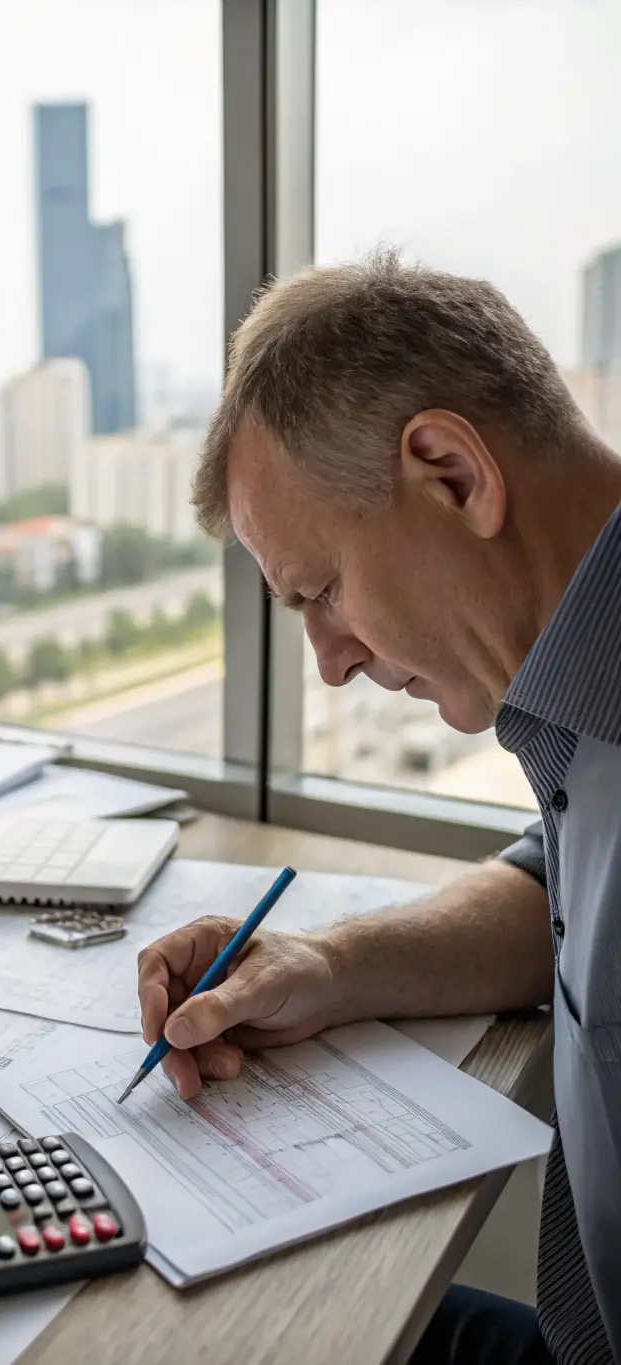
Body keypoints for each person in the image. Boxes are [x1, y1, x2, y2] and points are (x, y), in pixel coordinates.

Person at [136, 252, 621, 1365]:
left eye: (323, 591)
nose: (329, 662)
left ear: (451, 473)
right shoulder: (583, 703)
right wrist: (329, 965)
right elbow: (559, 886)